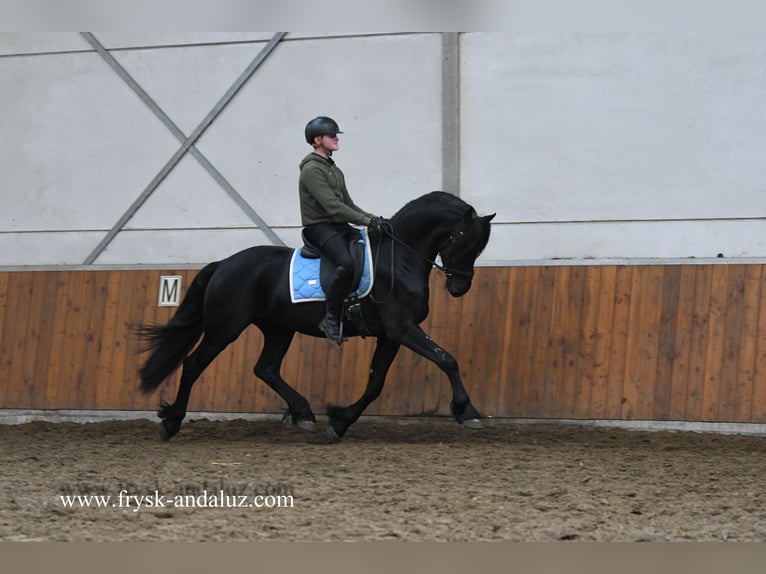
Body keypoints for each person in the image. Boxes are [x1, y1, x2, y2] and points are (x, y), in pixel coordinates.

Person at [298, 116, 387, 344]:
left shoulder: (334, 170)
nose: (336, 138)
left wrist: (373, 220)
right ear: (317, 140)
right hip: (320, 228)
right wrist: (367, 221)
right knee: (345, 264)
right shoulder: (311, 170)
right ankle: (330, 317)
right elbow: (333, 207)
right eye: (331, 135)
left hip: (339, 226)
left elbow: (348, 205)